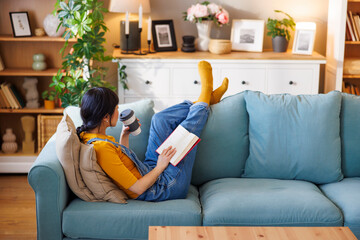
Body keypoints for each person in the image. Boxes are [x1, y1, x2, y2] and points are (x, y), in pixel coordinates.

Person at [77, 61, 229, 201]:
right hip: (163, 187)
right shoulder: (101, 148)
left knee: (159, 119)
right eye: (116, 108)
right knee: (184, 135)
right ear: (105, 117)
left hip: (147, 170)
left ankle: (204, 101)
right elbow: (137, 188)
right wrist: (160, 166)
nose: (118, 110)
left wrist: (125, 135)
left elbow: (124, 165)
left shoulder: (93, 136)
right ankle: (206, 93)